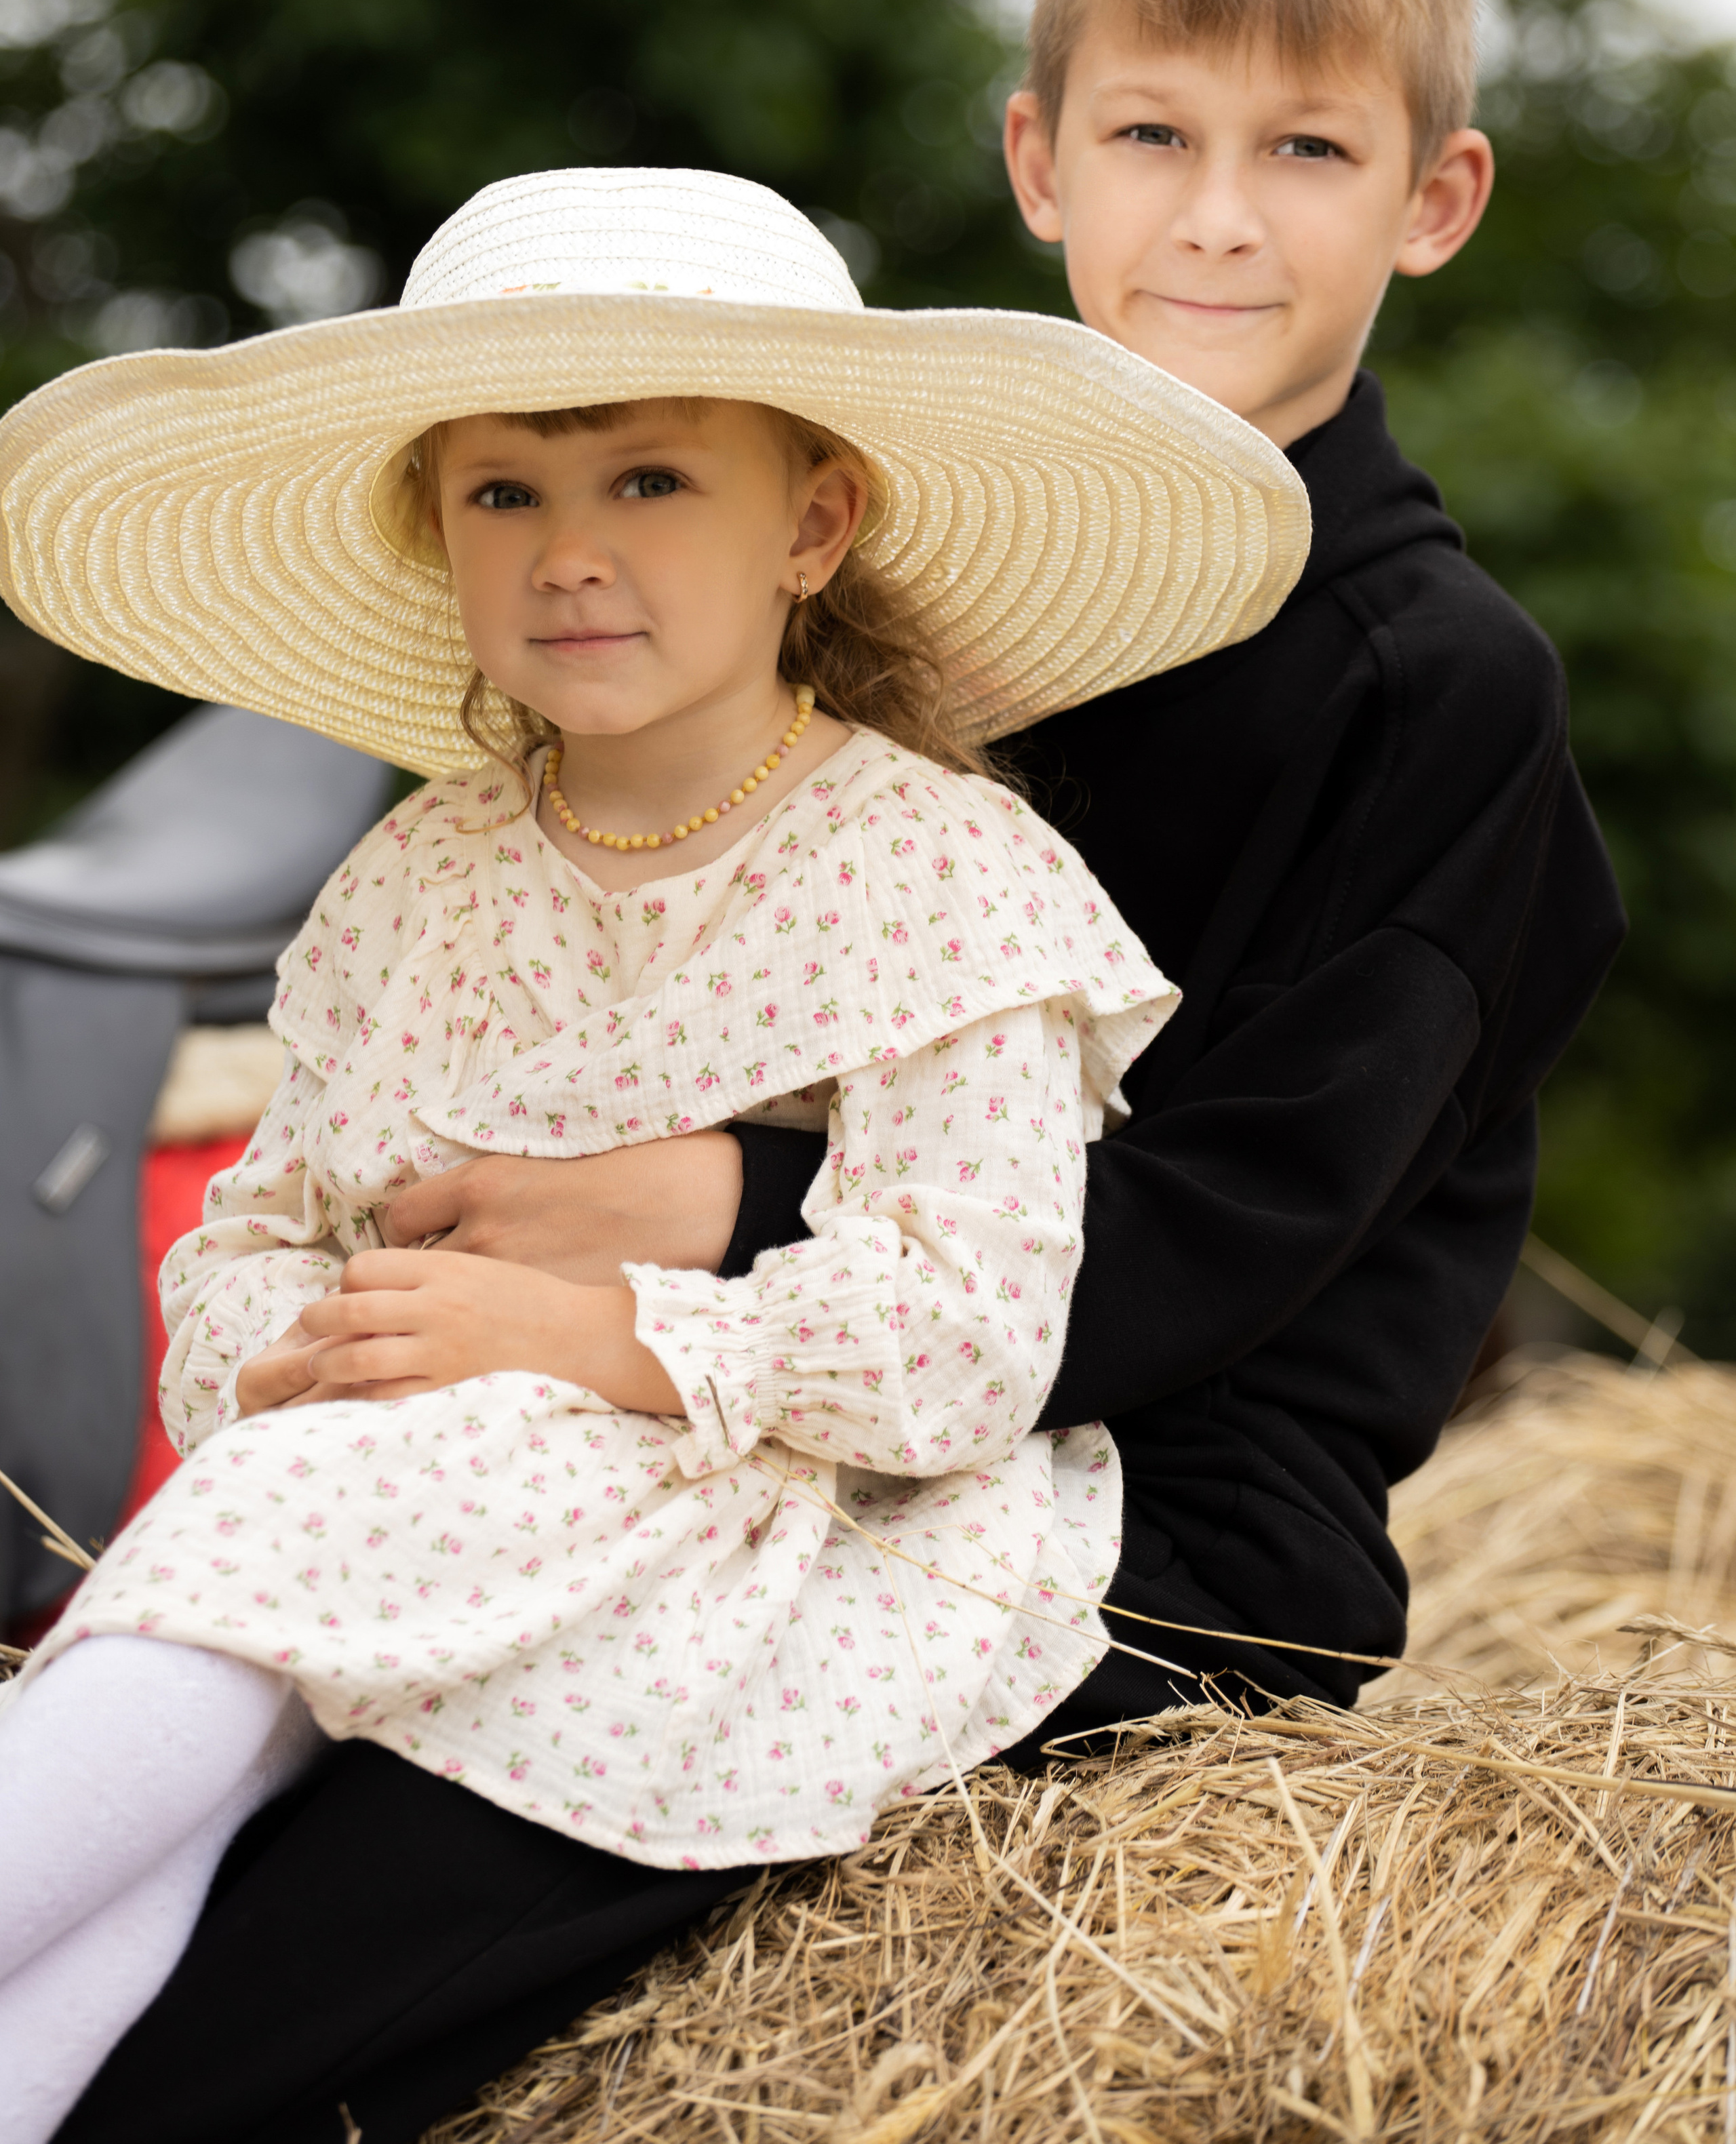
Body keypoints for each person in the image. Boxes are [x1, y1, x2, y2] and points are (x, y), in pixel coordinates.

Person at [41, 0, 1627, 2142]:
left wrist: (695, 1212)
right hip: (727, 1428)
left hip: (1146, 1519)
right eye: (1151, 138)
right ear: (1036, 164)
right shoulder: (939, 631)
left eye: (1303, 152)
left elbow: (1218, 1238)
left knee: (310, 1967)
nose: (1215, 219)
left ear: (1433, 197)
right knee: (205, 1730)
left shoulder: (1435, 686)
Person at [0, 163, 1307, 2144]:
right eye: (504, 492)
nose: (570, 553)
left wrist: (565, 1333)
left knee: (230, 1810)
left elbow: (964, 1339)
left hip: (765, 1518)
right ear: (438, 535)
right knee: (201, 1715)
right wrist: (323, 1341)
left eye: (652, 483)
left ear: (816, 520)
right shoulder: (416, 878)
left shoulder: (937, 871)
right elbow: (255, 1240)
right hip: (408, 1473)